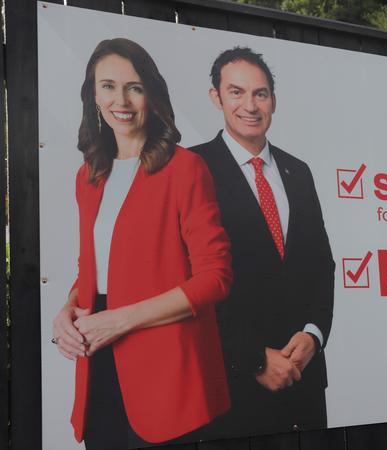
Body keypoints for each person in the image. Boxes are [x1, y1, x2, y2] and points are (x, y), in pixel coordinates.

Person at [51, 38, 233, 449]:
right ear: (93, 95)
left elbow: (216, 278)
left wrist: (121, 319)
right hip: (99, 366)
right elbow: (91, 272)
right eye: (109, 86)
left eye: (134, 86)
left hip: (169, 375)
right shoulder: (89, 176)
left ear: (151, 93)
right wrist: (67, 310)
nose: (122, 100)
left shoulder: (186, 168)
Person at [191, 46, 335, 437]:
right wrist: (252, 361)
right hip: (230, 388)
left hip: (303, 383)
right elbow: (186, 283)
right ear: (215, 97)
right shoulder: (190, 169)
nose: (250, 105)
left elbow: (321, 266)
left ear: (273, 100)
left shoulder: (298, 171)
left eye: (260, 93)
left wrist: (314, 335)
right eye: (236, 92)